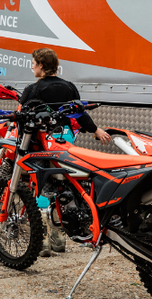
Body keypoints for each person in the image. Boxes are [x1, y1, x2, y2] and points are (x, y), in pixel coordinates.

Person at [20, 47, 111, 257]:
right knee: (63, 186)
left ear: (41, 65)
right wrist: (95, 130)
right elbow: (79, 114)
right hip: (65, 140)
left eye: (33, 62)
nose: (32, 66)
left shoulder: (33, 90)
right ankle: (59, 237)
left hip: (41, 142)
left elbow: (22, 117)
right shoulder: (69, 87)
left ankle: (42, 239)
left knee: (41, 184)